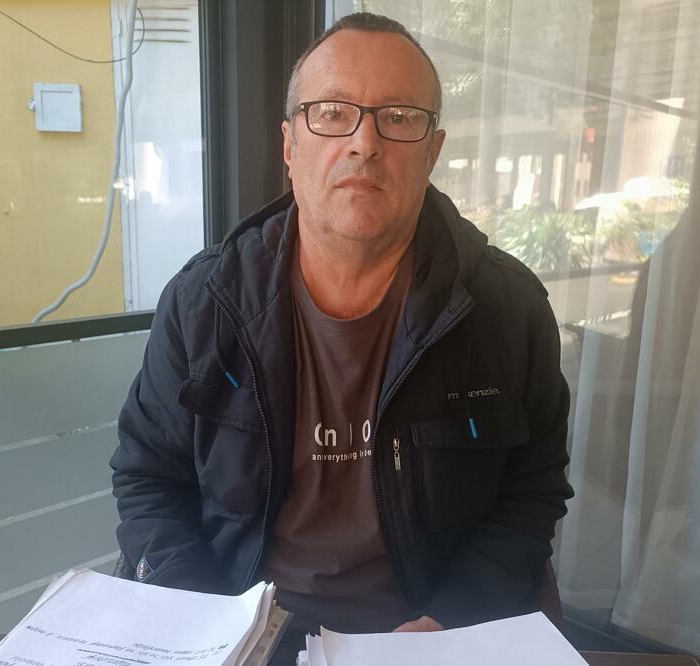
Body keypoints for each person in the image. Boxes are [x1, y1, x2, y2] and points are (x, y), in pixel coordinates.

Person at [110, 11, 573, 645]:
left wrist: (450, 622)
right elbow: (148, 478)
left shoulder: (508, 310)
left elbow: (532, 490)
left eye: (399, 117)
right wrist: (208, 624)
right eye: (332, 113)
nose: (364, 142)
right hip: (238, 631)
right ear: (289, 146)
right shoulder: (203, 303)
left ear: (433, 151)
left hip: (431, 637)